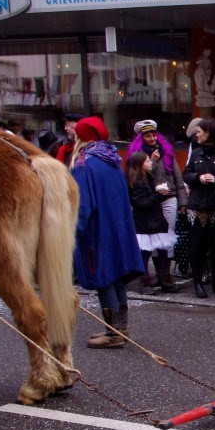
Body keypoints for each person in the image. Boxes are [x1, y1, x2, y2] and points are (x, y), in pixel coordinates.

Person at [70, 117, 145, 348]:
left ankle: (112, 334)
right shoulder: (112, 158)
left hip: (97, 230)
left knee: (103, 278)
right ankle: (120, 328)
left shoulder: (85, 164)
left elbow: (82, 205)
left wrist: (73, 234)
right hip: (118, 228)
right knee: (117, 277)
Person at [127, 119, 186, 291]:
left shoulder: (167, 152)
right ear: (141, 138)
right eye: (147, 136)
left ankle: (164, 276)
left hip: (168, 199)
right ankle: (146, 278)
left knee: (166, 237)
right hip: (149, 202)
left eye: (154, 135)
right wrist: (151, 162)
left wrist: (183, 202)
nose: (152, 138)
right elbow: (138, 180)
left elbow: (178, 178)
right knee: (148, 239)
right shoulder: (137, 157)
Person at [182, 118, 215, 298]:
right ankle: (197, 282)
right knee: (197, 246)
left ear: (209, 132)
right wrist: (198, 177)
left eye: (199, 131)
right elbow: (186, 174)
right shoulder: (196, 153)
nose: (196, 134)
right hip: (197, 206)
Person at [123, 151, 176, 295]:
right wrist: (159, 195)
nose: (151, 163)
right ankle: (144, 282)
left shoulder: (147, 178)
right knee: (145, 253)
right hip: (144, 223)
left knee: (162, 250)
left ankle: (164, 279)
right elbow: (141, 204)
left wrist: (161, 195)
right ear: (139, 165)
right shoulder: (137, 182)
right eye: (147, 161)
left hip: (155, 220)